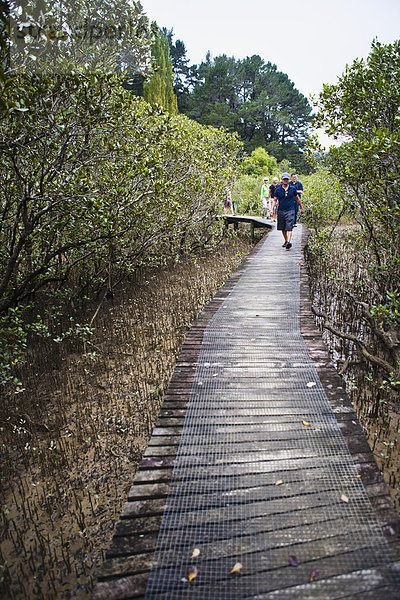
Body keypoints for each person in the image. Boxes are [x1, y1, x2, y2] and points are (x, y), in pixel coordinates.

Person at [271, 173, 303, 250]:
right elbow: (275, 200)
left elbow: (297, 199)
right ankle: (286, 240)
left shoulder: (292, 189)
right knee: (283, 228)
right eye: (284, 179)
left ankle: (288, 242)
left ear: (289, 180)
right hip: (281, 210)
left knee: (289, 227)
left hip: (290, 210)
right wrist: (272, 209)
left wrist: (301, 207)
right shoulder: (278, 190)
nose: (285, 180)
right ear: (282, 180)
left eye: (287, 179)